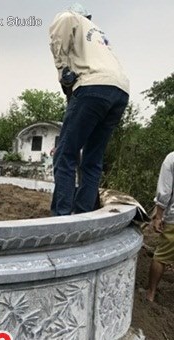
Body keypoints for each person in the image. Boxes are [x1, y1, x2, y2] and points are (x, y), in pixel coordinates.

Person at [49, 3, 129, 216]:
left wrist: (62, 69)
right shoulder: (99, 36)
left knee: (65, 154)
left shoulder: (70, 17)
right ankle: (84, 214)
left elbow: (63, 21)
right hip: (120, 91)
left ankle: (61, 217)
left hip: (93, 86)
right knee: (93, 158)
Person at [147, 152, 174, 302]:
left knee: (161, 256)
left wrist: (158, 216)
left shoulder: (172, 158)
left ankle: (150, 293)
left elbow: (165, 190)